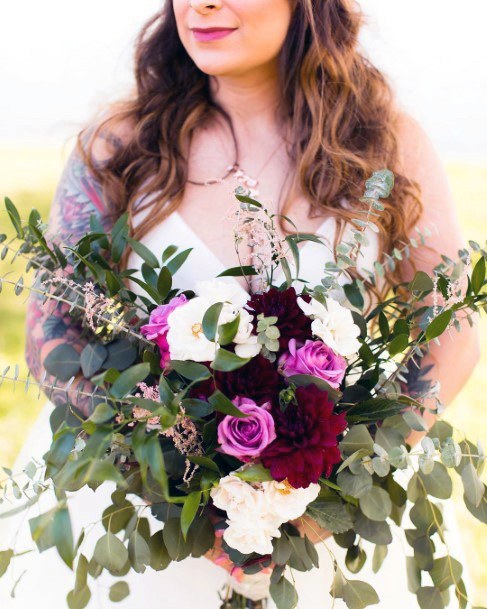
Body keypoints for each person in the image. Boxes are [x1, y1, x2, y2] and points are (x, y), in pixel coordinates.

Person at [0, 1, 480, 607]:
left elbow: (451, 329)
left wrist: (330, 491)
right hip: (145, 525)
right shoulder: (120, 146)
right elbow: (53, 332)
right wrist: (181, 490)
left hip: (327, 531)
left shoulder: (383, 144)